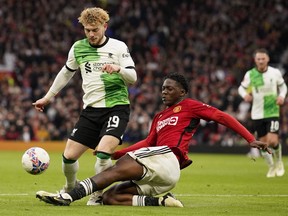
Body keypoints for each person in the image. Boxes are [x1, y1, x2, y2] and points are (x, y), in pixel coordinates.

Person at [36, 73, 270, 207]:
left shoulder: (190, 106)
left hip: (168, 158)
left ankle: (70, 195)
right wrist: (115, 152)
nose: (164, 92)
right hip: (164, 177)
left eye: (170, 89)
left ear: (182, 93)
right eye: (163, 89)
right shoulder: (159, 116)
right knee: (112, 197)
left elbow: (220, 116)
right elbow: (148, 141)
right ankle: (161, 203)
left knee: (117, 170)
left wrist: (249, 138)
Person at [32, 7, 137, 205]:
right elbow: (65, 73)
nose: (91, 34)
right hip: (91, 110)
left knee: (104, 152)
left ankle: (97, 195)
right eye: (87, 30)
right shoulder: (78, 48)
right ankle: (71, 188)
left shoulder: (118, 47)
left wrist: (118, 69)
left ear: (105, 27)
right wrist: (48, 97)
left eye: (95, 29)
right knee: (68, 156)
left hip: (117, 107)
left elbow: (133, 76)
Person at [238, 48, 287, 178]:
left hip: (272, 110)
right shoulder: (250, 74)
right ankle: (271, 167)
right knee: (263, 143)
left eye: (263, 58)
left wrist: (282, 96)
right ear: (255, 60)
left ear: (268, 59)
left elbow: (283, 86)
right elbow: (241, 88)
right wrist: (245, 95)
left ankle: (279, 162)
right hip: (257, 113)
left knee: (273, 141)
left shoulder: (275, 72)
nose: (261, 61)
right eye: (258, 59)